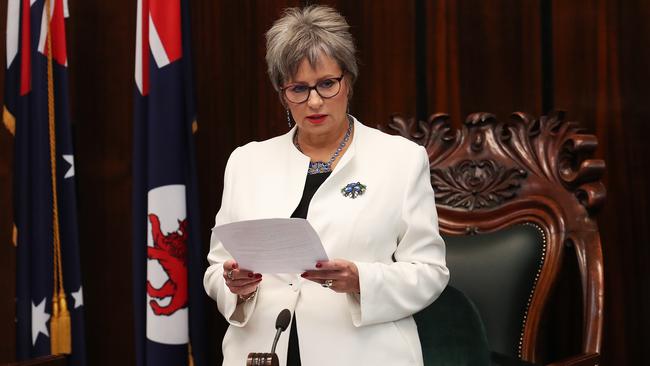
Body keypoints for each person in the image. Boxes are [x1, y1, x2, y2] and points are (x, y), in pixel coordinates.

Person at [203, 5, 449, 366]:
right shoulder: (246, 162)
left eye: (326, 84)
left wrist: (360, 279)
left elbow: (430, 271)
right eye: (298, 88)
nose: (314, 101)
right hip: (261, 351)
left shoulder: (400, 159)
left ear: (348, 80)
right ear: (281, 92)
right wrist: (234, 285)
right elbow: (216, 267)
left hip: (365, 353)